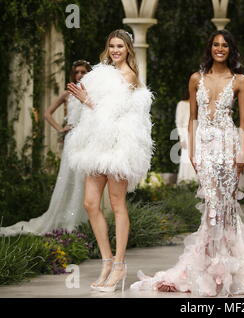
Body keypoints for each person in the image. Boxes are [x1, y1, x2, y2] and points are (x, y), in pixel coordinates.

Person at [131, 30, 244, 297]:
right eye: (215, 44)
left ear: (231, 50)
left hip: (229, 146)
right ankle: (207, 267)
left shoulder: (240, 80)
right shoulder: (196, 79)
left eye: (225, 45)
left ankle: (231, 268)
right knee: (211, 206)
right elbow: (192, 117)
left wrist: (243, 153)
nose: (220, 48)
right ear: (210, 48)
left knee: (227, 206)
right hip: (204, 146)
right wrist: (192, 151)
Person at [65, 29, 154, 293]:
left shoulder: (128, 76)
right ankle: (106, 260)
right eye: (112, 46)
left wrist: (88, 100)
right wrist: (84, 101)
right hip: (97, 144)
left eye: (120, 46)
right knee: (90, 203)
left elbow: (115, 114)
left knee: (117, 203)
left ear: (128, 49)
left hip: (118, 146)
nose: (116, 50)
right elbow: (92, 113)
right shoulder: (102, 74)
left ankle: (119, 264)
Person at [0, 60, 91, 237]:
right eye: (77, 72)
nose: (80, 75)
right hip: (73, 140)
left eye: (83, 72)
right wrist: (60, 128)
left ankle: (84, 221)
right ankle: (67, 221)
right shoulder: (67, 94)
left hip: (87, 141)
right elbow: (47, 113)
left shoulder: (91, 94)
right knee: (69, 178)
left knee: (84, 180)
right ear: (73, 75)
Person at [175, 89, 197, 183]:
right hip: (185, 132)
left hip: (197, 132)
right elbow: (178, 122)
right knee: (186, 156)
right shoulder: (182, 104)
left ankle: (196, 180)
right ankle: (185, 180)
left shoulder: (199, 106)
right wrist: (181, 137)